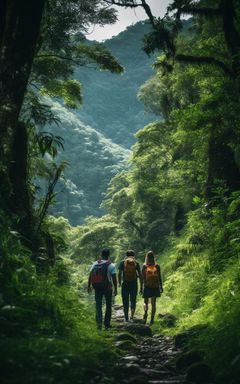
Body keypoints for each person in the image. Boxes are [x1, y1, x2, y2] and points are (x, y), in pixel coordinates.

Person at [88, 248, 117, 330]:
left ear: (101, 254)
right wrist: (115, 289)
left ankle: (99, 324)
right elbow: (114, 278)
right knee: (108, 305)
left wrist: (89, 286)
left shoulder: (95, 263)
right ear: (108, 255)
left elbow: (90, 276)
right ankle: (107, 325)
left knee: (98, 305)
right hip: (108, 288)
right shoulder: (111, 265)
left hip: (97, 287)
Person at [118, 250, 143, 322]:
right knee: (133, 300)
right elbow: (140, 275)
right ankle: (131, 316)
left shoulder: (123, 262)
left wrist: (119, 283)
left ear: (126, 255)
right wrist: (141, 286)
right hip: (134, 284)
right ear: (134, 255)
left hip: (125, 284)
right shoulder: (136, 263)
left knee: (125, 301)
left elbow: (119, 273)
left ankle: (126, 318)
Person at [142, 250, 163, 325]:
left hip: (147, 287)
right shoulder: (157, 266)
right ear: (154, 257)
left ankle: (145, 313)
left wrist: (142, 287)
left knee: (145, 302)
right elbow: (159, 277)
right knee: (153, 304)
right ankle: (152, 320)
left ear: (146, 257)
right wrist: (161, 287)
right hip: (155, 287)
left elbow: (143, 278)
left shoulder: (144, 266)